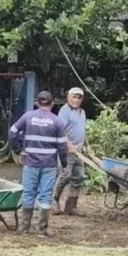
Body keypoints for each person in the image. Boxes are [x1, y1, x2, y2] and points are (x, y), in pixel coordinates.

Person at [8, 90, 68, 237]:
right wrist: (64, 163)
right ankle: (43, 229)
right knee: (46, 196)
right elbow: (62, 146)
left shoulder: (28, 116)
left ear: (37, 103)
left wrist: (18, 150)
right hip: (49, 165)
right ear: (52, 104)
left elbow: (12, 132)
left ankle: (24, 228)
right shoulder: (57, 121)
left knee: (28, 194)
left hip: (30, 163)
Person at [54, 87, 87, 216]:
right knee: (64, 176)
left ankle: (71, 206)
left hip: (78, 151)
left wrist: (87, 145)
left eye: (79, 98)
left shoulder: (82, 112)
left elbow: (83, 129)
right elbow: (60, 130)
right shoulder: (64, 111)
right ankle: (53, 201)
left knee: (78, 177)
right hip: (66, 150)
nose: (76, 100)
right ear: (68, 96)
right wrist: (69, 145)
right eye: (74, 97)